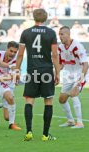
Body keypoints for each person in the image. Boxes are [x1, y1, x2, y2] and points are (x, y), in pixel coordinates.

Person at [14, 8, 60, 141]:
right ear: (45, 18)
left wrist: (16, 71)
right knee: (48, 101)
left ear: (33, 18)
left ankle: (29, 131)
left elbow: (20, 54)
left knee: (29, 100)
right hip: (46, 70)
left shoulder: (26, 33)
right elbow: (55, 55)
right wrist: (57, 73)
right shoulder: (51, 32)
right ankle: (45, 135)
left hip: (32, 70)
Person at [57, 26, 89, 129]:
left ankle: (80, 123)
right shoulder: (60, 47)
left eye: (62, 34)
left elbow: (86, 65)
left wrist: (81, 80)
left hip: (80, 73)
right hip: (68, 74)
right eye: (59, 34)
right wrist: (55, 74)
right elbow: (61, 64)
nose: (60, 36)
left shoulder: (77, 46)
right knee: (62, 99)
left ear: (68, 34)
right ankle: (70, 120)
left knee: (74, 94)